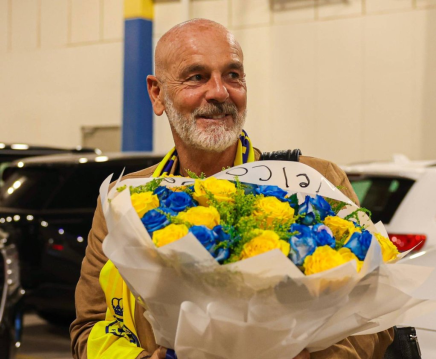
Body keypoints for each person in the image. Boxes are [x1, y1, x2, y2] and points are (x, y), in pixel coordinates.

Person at [69, 19, 394, 359]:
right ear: (157, 93)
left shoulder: (314, 181)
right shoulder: (123, 201)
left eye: (232, 75)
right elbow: (89, 326)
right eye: (196, 76)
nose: (220, 92)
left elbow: (374, 317)